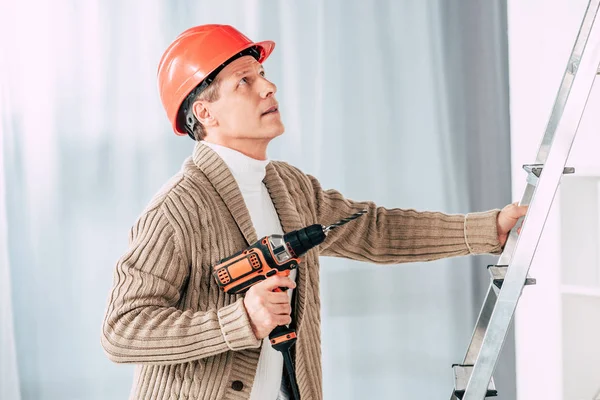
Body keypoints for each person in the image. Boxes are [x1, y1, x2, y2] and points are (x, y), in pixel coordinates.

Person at [101, 24, 527, 400]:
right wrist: (240, 320)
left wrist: (487, 229)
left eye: (263, 75)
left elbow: (374, 230)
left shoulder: (288, 186)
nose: (268, 88)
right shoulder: (176, 210)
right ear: (204, 112)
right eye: (243, 81)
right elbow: (122, 330)